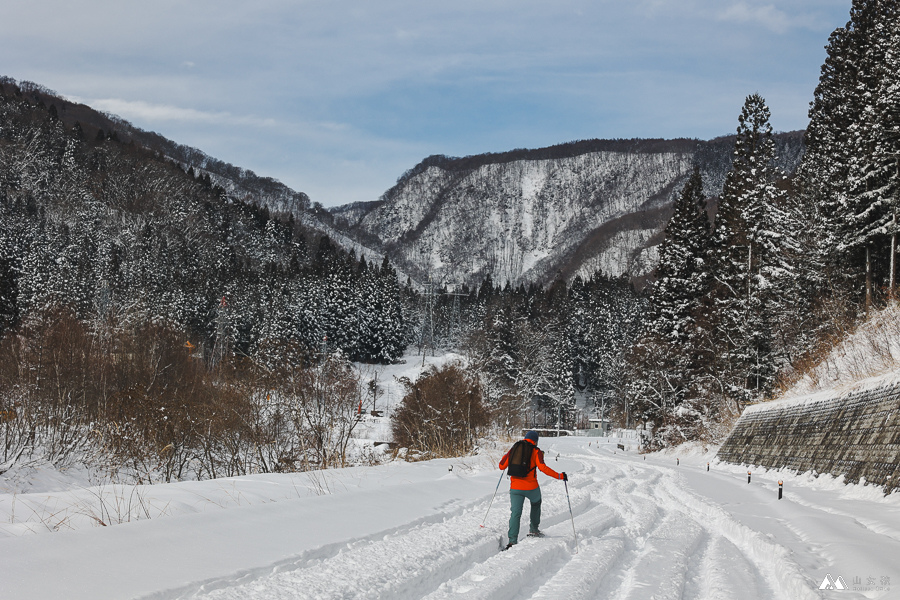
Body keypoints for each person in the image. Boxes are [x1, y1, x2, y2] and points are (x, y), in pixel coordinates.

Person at [498, 430, 567, 550]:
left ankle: (512, 541)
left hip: (515, 488)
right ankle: (534, 530)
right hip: (531, 487)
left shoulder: (515, 448)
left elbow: (501, 466)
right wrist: (559, 476)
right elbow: (543, 468)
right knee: (536, 503)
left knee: (516, 513)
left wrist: (508, 454)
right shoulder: (536, 451)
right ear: (536, 441)